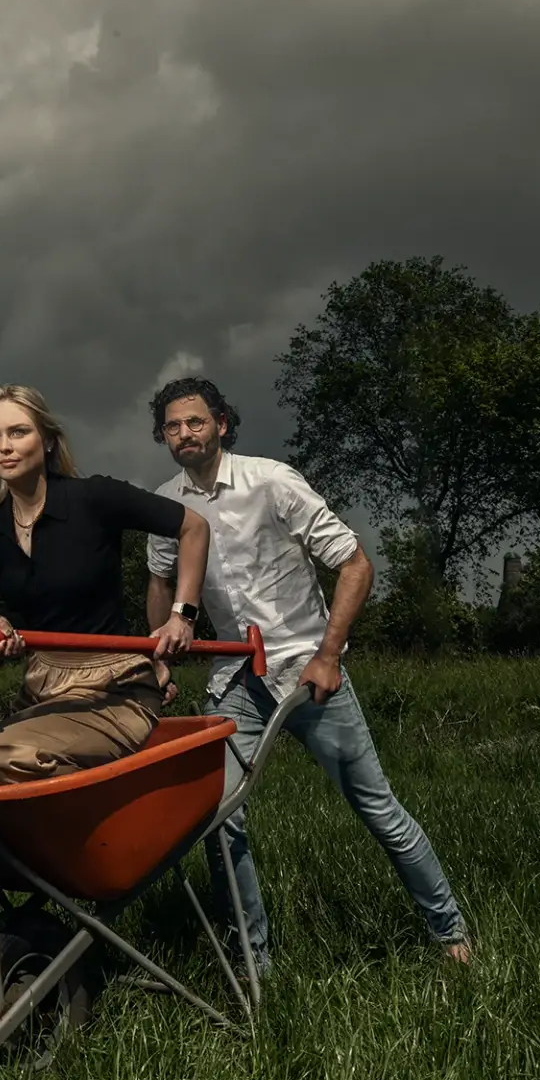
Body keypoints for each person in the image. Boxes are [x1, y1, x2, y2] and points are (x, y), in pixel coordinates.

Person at [142, 376, 472, 967]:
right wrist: (160, 662)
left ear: (220, 423)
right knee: (220, 818)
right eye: (172, 426)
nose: (184, 433)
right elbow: (160, 583)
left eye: (195, 421)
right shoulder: (167, 504)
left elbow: (355, 564)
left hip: (303, 669)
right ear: (163, 436)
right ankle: (253, 965)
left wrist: (327, 655)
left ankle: (451, 936)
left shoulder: (272, 481)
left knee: (377, 808)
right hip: (234, 679)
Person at [0, 384, 212, 785]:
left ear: (49, 441)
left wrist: (183, 617)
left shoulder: (94, 498)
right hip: (41, 689)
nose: (5, 446)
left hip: (115, 689)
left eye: (19, 432)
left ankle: (119, 812)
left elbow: (194, 527)